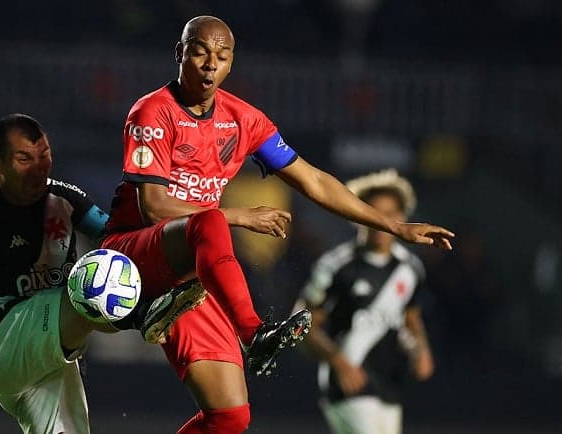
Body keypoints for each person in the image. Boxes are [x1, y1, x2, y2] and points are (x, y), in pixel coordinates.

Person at [101, 16, 453, 434]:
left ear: (232, 63)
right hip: (134, 252)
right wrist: (236, 216)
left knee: (230, 418)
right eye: (200, 52)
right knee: (211, 224)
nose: (210, 64)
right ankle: (254, 334)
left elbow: (315, 181)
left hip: (191, 273)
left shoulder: (244, 120)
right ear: (180, 54)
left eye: (222, 56)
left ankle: (200, 316)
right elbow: (156, 208)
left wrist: (395, 227)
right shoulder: (152, 112)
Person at [0, 114, 204, 434]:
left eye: (44, 155)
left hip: (51, 353)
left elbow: (119, 240)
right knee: (94, 282)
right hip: (4, 343)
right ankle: (145, 314)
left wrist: (167, 249)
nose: (40, 168)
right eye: (25, 158)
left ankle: (149, 305)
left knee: (112, 264)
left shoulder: (63, 198)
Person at [293, 169, 435, 434]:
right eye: (374, 213)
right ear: (358, 216)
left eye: (391, 213)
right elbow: (302, 323)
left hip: (389, 385)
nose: (383, 222)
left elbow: (410, 317)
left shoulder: (410, 268)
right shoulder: (336, 266)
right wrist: (338, 361)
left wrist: (422, 350)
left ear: (402, 217)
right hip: (348, 385)